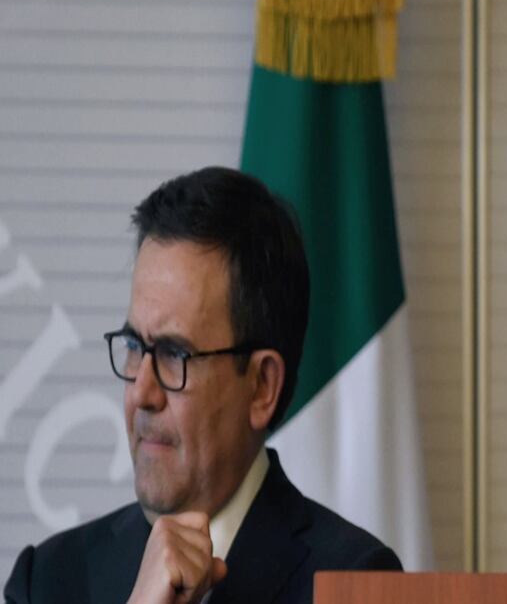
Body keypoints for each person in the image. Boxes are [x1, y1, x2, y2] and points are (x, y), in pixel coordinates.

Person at [4, 167, 401, 603]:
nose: (142, 392)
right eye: (135, 345)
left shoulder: (353, 584)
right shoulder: (49, 580)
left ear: (261, 387)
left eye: (175, 355)